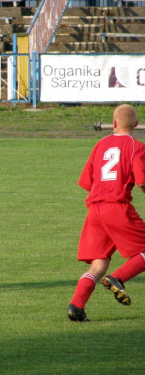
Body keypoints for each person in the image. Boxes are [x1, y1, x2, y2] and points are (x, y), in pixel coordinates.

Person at [67, 104, 145, 322]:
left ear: (113, 123)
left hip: (94, 209)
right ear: (137, 124)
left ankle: (76, 306)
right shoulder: (136, 146)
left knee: (99, 263)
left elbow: (87, 181)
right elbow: (142, 182)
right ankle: (118, 278)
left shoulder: (100, 144)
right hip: (117, 207)